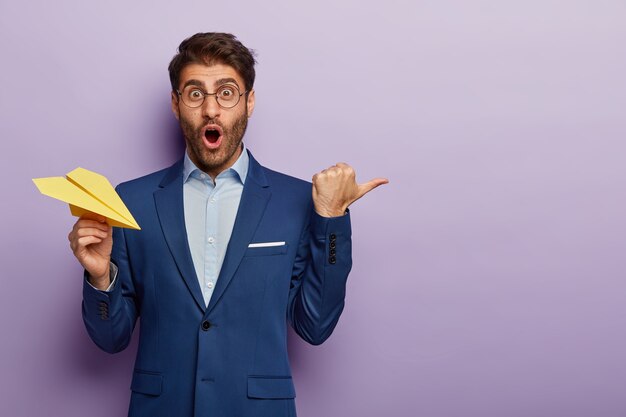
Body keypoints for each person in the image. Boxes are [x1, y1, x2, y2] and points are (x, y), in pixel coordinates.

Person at [68, 32, 387, 417]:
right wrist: (101, 277)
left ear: (249, 102)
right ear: (176, 104)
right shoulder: (131, 201)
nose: (211, 110)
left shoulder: (296, 201)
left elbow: (315, 326)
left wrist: (331, 219)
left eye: (226, 92)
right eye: (195, 93)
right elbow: (110, 339)